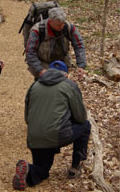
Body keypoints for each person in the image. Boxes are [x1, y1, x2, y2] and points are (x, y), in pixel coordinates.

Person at [12, 61, 90, 190]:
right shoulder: (69, 85)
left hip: (34, 137)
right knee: (85, 126)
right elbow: (81, 117)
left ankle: (28, 169)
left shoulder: (34, 86)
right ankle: (75, 167)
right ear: (66, 75)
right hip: (56, 135)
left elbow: (27, 117)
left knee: (43, 171)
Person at [25, 6, 86, 79]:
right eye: (59, 25)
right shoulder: (38, 30)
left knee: (61, 86)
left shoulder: (68, 27)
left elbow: (79, 45)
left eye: (63, 23)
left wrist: (81, 65)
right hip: (43, 63)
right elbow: (30, 52)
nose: (62, 26)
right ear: (50, 21)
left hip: (62, 63)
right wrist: (40, 70)